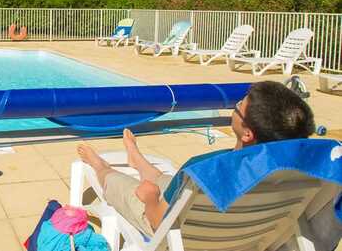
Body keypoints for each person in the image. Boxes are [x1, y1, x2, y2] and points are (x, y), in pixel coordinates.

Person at [77, 81, 316, 237]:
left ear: (247, 133)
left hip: (176, 230)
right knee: (169, 182)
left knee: (122, 184)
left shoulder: (207, 169)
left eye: (238, 107)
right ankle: (137, 161)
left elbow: (160, 221)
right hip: (242, 230)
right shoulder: (299, 175)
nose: (234, 106)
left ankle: (100, 166)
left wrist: (150, 199)